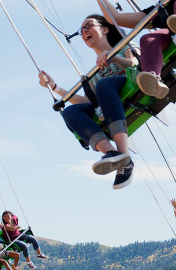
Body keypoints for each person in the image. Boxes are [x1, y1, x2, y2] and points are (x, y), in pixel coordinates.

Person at [39, 14, 139, 189]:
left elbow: (134, 62)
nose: (84, 31)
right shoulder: (95, 75)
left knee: (103, 85)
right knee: (70, 112)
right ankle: (111, 152)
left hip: (130, 84)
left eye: (88, 26)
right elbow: (88, 100)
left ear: (105, 29)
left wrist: (113, 57)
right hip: (108, 101)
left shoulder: (124, 46)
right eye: (81, 30)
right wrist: (55, 87)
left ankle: (124, 155)